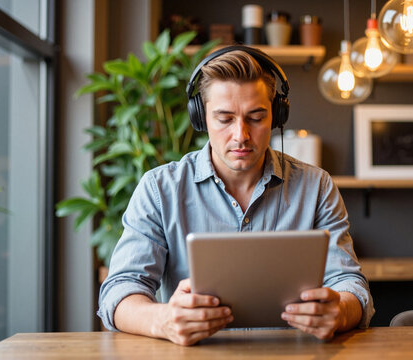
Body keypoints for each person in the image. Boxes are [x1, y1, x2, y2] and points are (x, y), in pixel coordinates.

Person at [98, 45, 374, 346]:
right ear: (201, 117)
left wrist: (341, 310)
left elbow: (351, 285)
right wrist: (162, 320)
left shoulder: (316, 186)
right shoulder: (159, 189)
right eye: (225, 119)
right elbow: (119, 290)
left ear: (277, 116)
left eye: (256, 117)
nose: (241, 135)